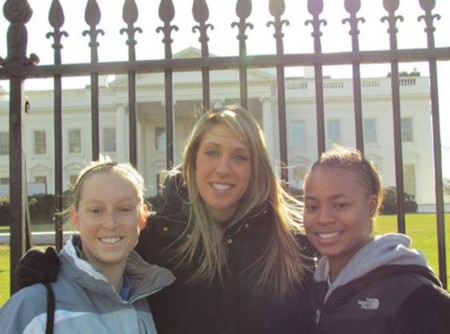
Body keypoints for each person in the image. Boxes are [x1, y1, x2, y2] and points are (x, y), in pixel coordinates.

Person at [14, 105, 317, 334]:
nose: (224, 169)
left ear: (256, 167)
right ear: (193, 161)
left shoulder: (292, 244)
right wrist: (54, 268)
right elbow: (104, 250)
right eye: (212, 152)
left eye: (240, 156)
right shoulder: (157, 240)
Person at [0, 160, 175, 333]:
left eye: (124, 209)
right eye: (95, 210)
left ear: (143, 217)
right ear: (75, 218)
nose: (110, 223)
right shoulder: (34, 308)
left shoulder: (147, 301)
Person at [302, 145, 450, 334]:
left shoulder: (416, 296)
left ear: (371, 206)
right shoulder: (307, 290)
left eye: (340, 205)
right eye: (312, 207)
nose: (323, 218)